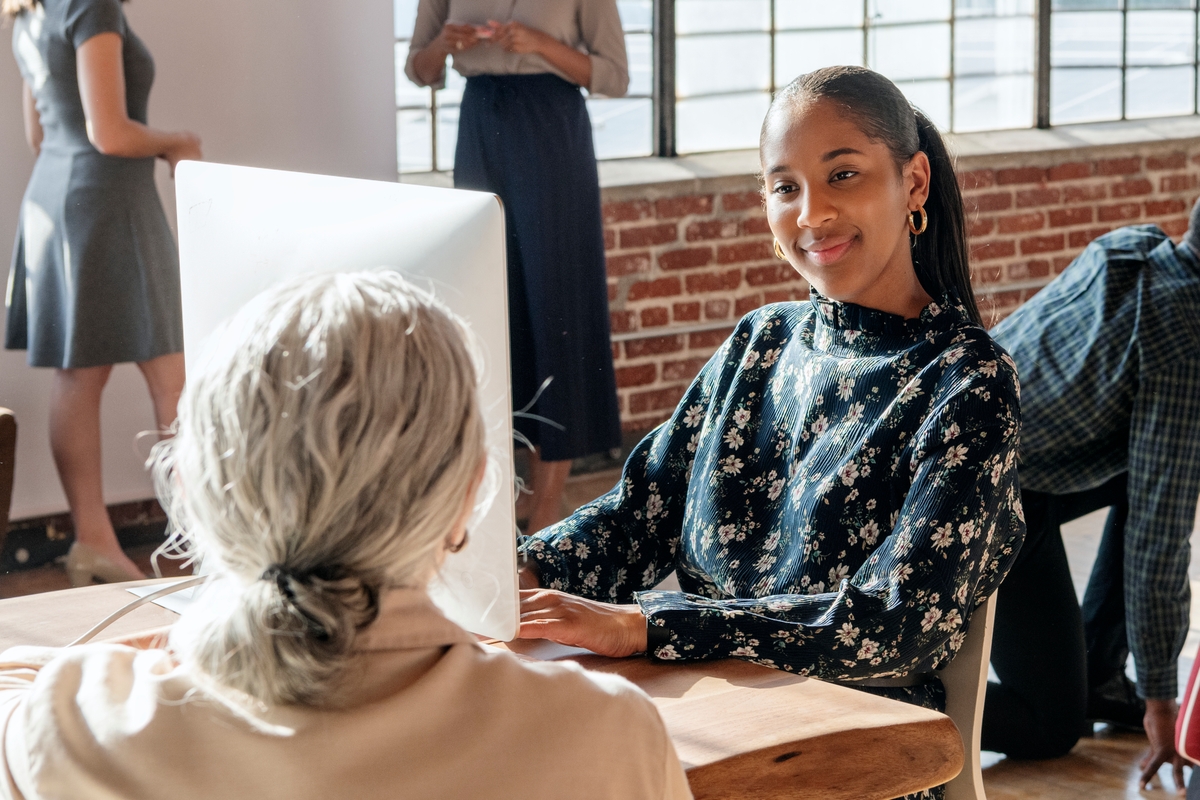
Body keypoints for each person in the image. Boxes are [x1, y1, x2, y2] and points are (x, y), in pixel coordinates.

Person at [515, 67, 1024, 800]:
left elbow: (893, 623)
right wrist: (524, 576)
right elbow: (638, 515)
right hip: (706, 716)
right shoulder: (760, 342)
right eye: (785, 187)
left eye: (842, 175)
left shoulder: (968, 383)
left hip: (852, 758)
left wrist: (648, 626)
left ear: (914, 184)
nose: (811, 215)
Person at [0, 271, 692, 800]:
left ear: (190, 487)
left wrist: (191, 639)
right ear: (468, 496)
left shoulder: (76, 727)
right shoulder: (609, 739)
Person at [981, 199, 1200, 789]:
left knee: (1159, 458)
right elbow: (1159, 537)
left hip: (986, 452)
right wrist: (1162, 700)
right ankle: (874, 696)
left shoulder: (1138, 248)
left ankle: (1099, 674)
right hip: (975, 498)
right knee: (1053, 725)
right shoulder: (1185, 338)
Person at [405, 0, 627, 534]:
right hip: (480, 124)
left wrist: (540, 45)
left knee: (557, 302)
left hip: (552, 131)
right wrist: (444, 46)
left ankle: (547, 505)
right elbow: (419, 69)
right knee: (488, 301)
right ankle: (499, 494)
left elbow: (615, 78)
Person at [5, 0, 202, 585]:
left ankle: (93, 542)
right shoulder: (90, 3)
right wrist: (178, 139)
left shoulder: (27, 11)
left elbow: (39, 134)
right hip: (107, 202)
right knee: (172, 377)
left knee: (80, 376)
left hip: (60, 196)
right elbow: (110, 133)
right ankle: (204, 540)